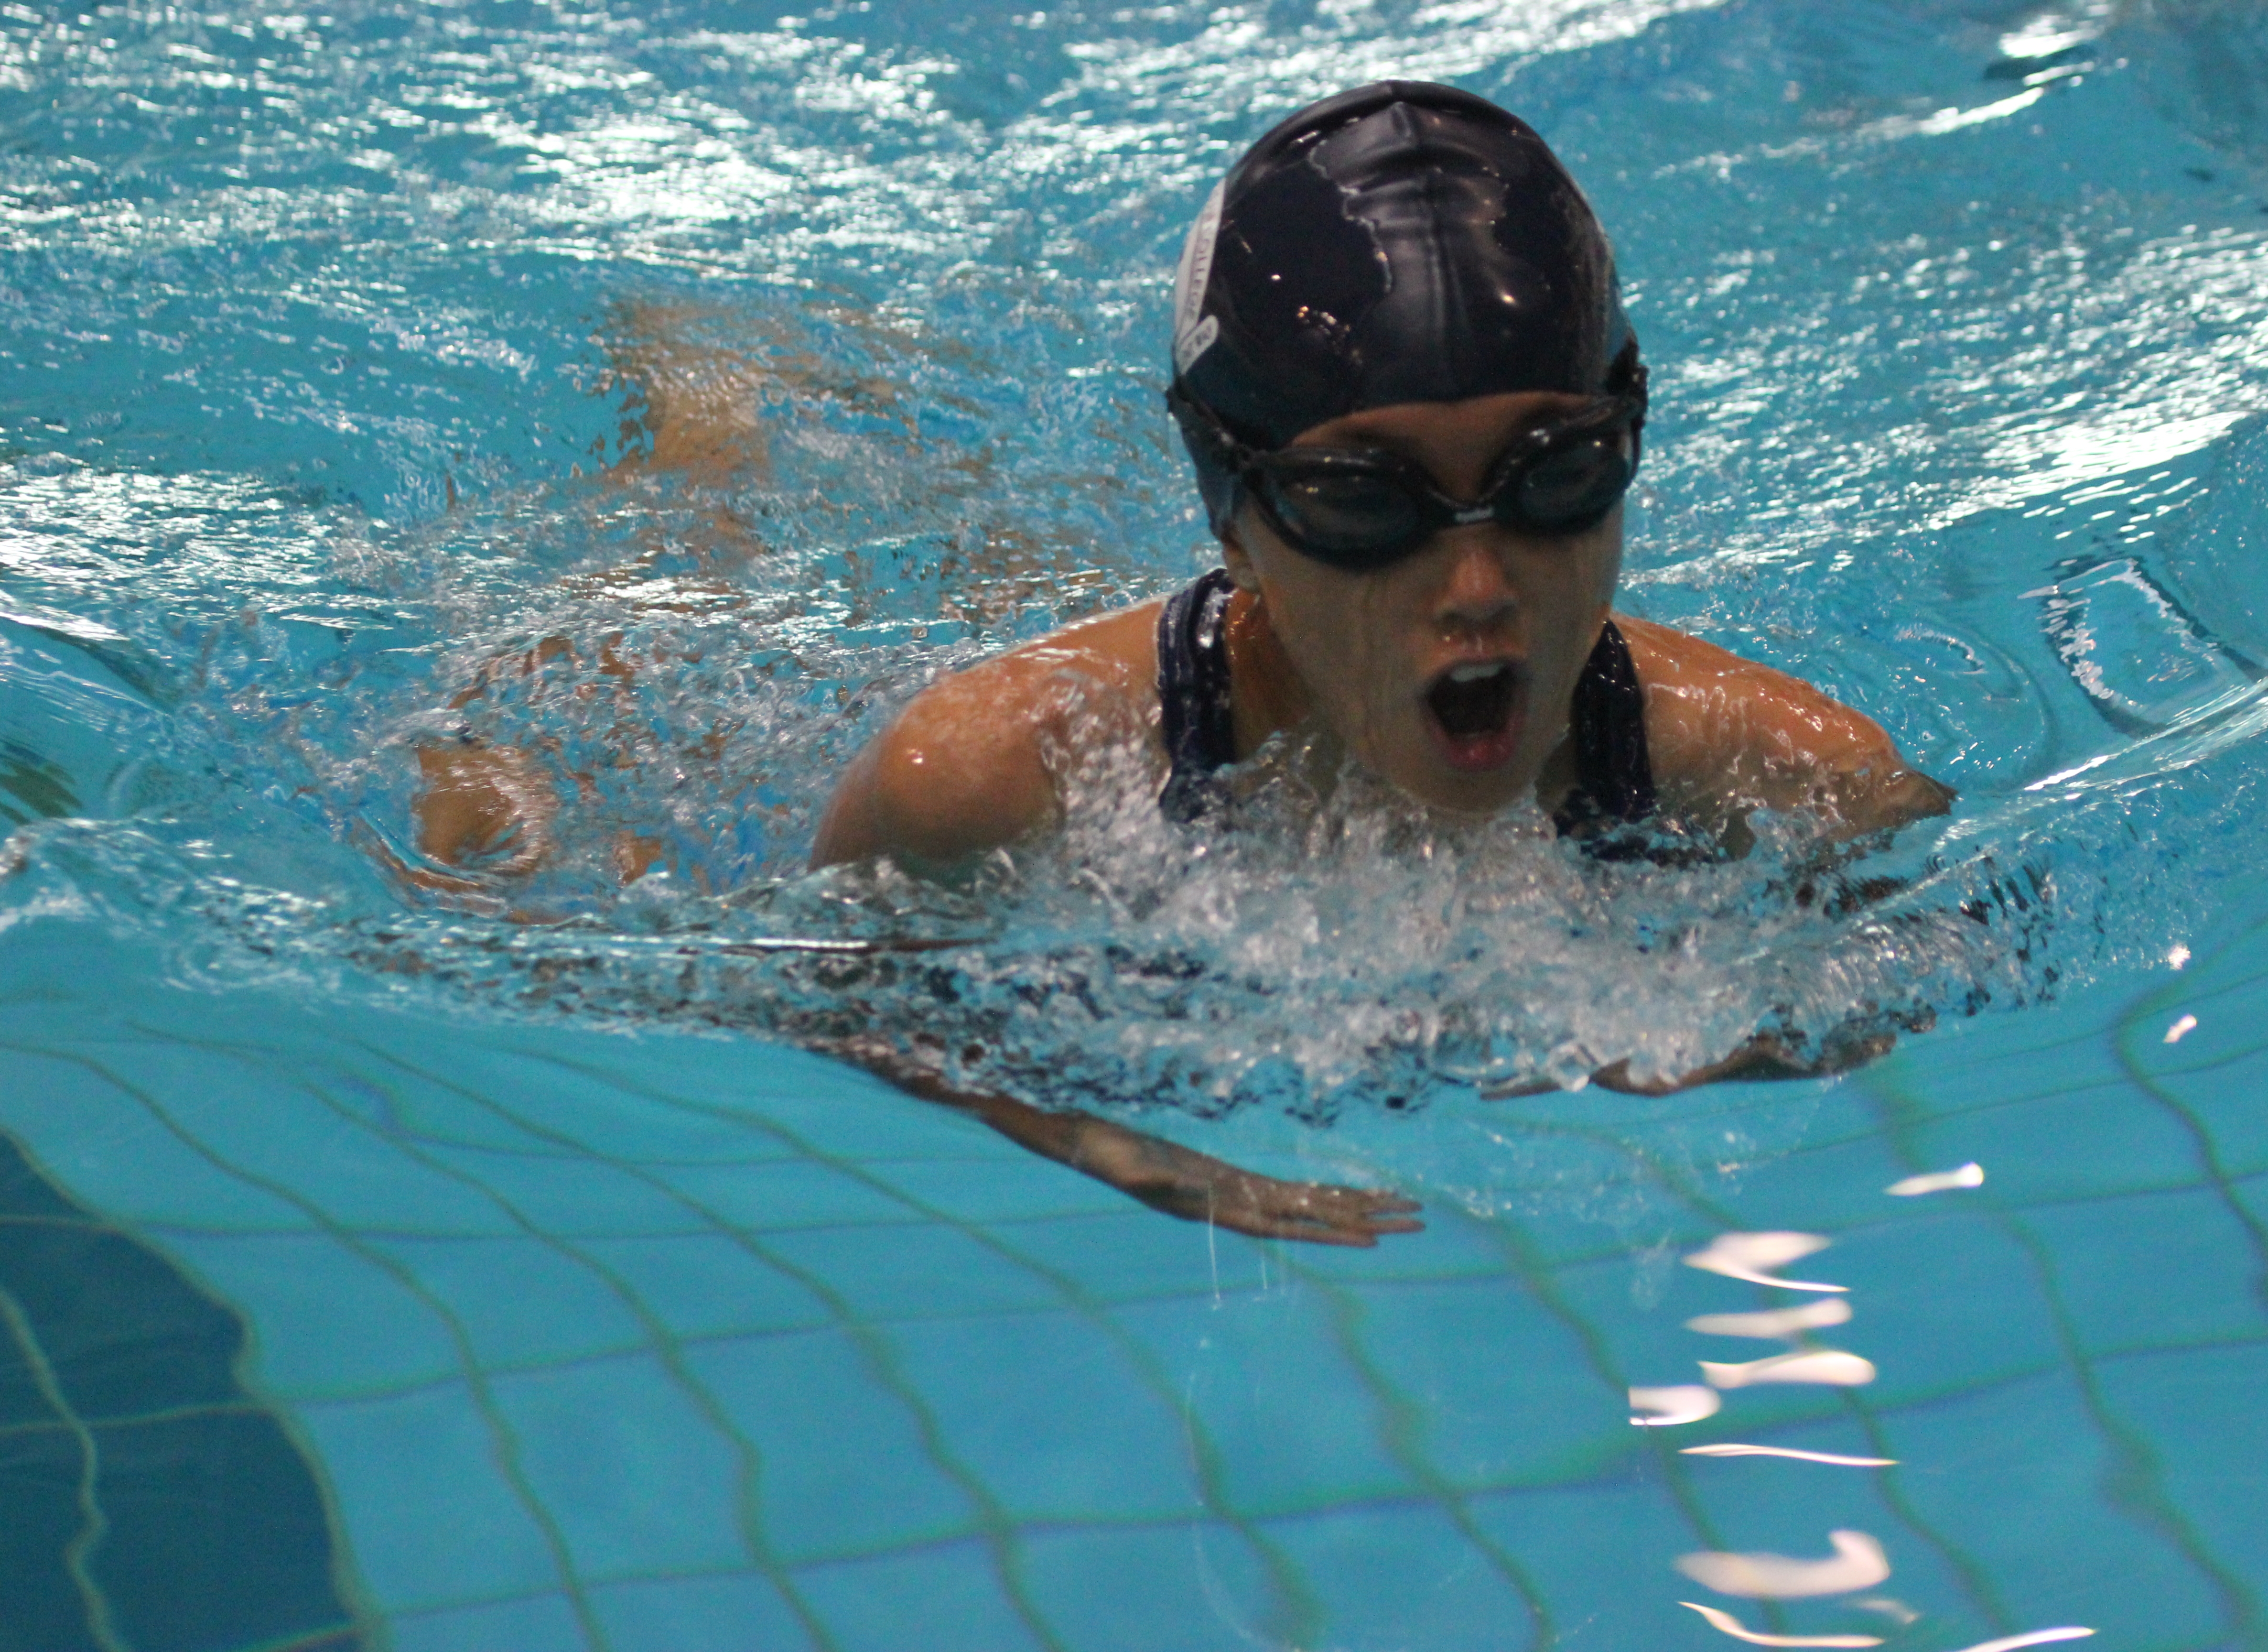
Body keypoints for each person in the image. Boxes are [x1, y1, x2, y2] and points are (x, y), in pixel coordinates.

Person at [417, 83, 1953, 1247]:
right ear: (1235, 505)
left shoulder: (1801, 776)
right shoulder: (979, 774)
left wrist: (1744, 1053)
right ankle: (710, 393)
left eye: (1555, 476)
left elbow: (1905, 990)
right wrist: (1091, 1138)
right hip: (924, 693)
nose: (1477, 584)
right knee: (596, 717)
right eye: (1363, 503)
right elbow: (834, 1005)